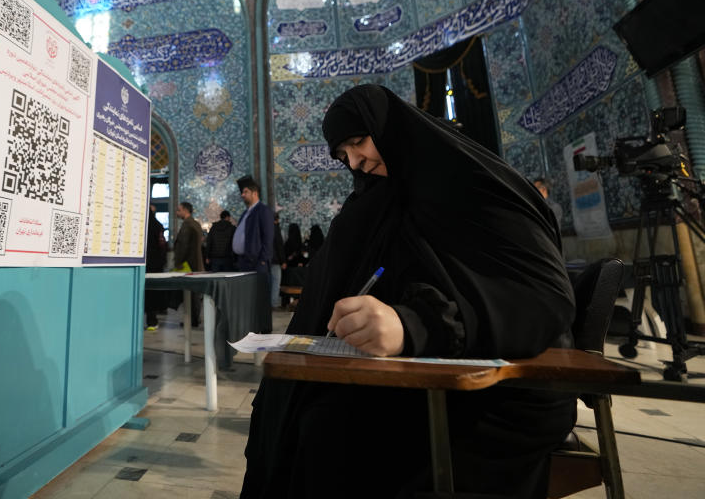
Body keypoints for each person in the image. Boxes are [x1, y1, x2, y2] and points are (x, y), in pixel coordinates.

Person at [241, 85, 576, 498]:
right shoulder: (388, 194)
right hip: (428, 373)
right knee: (290, 409)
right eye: (343, 155)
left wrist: (412, 324)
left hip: (499, 393)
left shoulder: (471, 186)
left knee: (326, 429)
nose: (355, 161)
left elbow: (540, 299)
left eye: (359, 142)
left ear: (388, 127)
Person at [232, 175, 273, 275]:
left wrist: (263, 260)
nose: (243, 195)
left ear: (255, 193)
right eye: (242, 192)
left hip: (256, 264)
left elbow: (268, 237)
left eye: (246, 192)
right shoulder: (245, 213)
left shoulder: (263, 210)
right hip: (243, 262)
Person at [174, 202, 204, 327]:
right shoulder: (196, 224)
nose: (177, 212)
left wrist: (178, 262)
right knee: (195, 294)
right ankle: (195, 319)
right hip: (197, 262)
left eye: (179, 210)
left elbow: (183, 246)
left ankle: (192, 320)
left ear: (185, 211)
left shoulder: (187, 225)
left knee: (190, 294)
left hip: (188, 264)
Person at [144, 205, 168, 330]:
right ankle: (152, 321)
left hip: (143, 263)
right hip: (156, 264)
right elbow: (162, 245)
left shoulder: (140, 225)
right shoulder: (157, 225)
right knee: (152, 292)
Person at [270, 212, 286, 309]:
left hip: (265, 260)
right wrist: (283, 261)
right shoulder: (276, 228)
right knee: (276, 282)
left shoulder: (264, 228)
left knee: (269, 283)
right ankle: (274, 303)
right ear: (277, 219)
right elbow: (279, 245)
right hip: (275, 260)